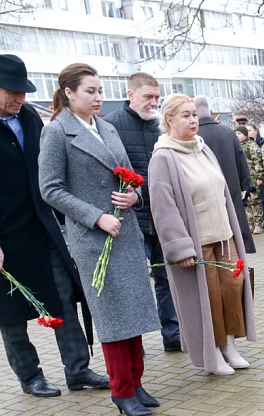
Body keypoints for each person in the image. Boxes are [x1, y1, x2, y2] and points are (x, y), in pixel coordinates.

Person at [0, 54, 107, 398]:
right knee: (11, 310)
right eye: (12, 92)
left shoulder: (28, 118)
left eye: (23, 92)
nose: (20, 100)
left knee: (63, 297)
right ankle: (30, 376)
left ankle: (78, 369)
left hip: (42, 227)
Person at [39, 63, 159, 416]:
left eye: (100, 91)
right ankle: (121, 390)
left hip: (124, 231)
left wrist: (134, 197)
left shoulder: (105, 126)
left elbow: (130, 176)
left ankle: (136, 382)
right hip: (94, 239)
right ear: (69, 93)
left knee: (133, 311)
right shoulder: (57, 132)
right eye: (90, 91)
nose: (98, 97)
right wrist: (96, 216)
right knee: (112, 315)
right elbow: (50, 189)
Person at [148, 94, 256, 377]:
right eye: (185, 115)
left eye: (194, 114)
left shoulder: (203, 148)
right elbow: (163, 206)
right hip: (198, 241)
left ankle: (231, 344)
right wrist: (180, 247)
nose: (193, 120)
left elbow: (221, 190)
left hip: (224, 234)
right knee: (209, 296)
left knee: (233, 288)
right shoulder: (163, 157)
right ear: (169, 120)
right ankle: (215, 351)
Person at [105, 72, 181, 353]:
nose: (153, 103)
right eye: (148, 96)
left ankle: (172, 333)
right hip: (129, 218)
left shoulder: (159, 127)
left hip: (161, 215)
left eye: (156, 97)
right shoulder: (111, 125)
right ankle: (133, 341)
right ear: (130, 94)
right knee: (133, 281)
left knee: (166, 276)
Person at [194, 96, 256, 253]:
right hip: (233, 189)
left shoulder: (194, 136)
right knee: (237, 239)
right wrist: (245, 186)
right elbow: (242, 161)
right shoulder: (228, 132)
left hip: (206, 196)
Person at [236, 126, 264, 235]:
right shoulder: (237, 146)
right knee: (247, 201)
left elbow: (258, 161)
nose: (237, 136)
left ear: (245, 135)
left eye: (239, 134)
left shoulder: (252, 145)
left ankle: (258, 224)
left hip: (253, 177)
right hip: (243, 179)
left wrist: (259, 176)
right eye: (236, 134)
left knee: (256, 201)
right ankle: (250, 224)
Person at [246, 124, 264, 229]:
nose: (248, 133)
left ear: (256, 131)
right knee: (255, 199)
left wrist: (261, 177)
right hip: (253, 176)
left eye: (250, 130)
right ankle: (257, 222)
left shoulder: (262, 143)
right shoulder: (247, 144)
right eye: (246, 131)